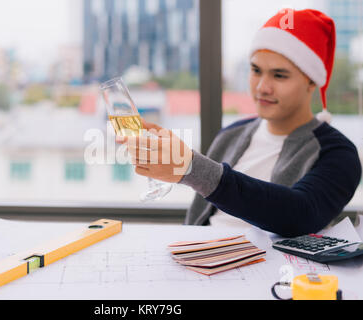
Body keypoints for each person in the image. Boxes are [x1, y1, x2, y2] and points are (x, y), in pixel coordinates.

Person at [118, 9, 362, 237]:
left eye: (279, 75)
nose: (262, 87)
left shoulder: (339, 154)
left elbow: (301, 214)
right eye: (256, 70)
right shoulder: (231, 135)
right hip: (200, 266)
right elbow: (196, 221)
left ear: (312, 81)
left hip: (275, 278)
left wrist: (191, 168)